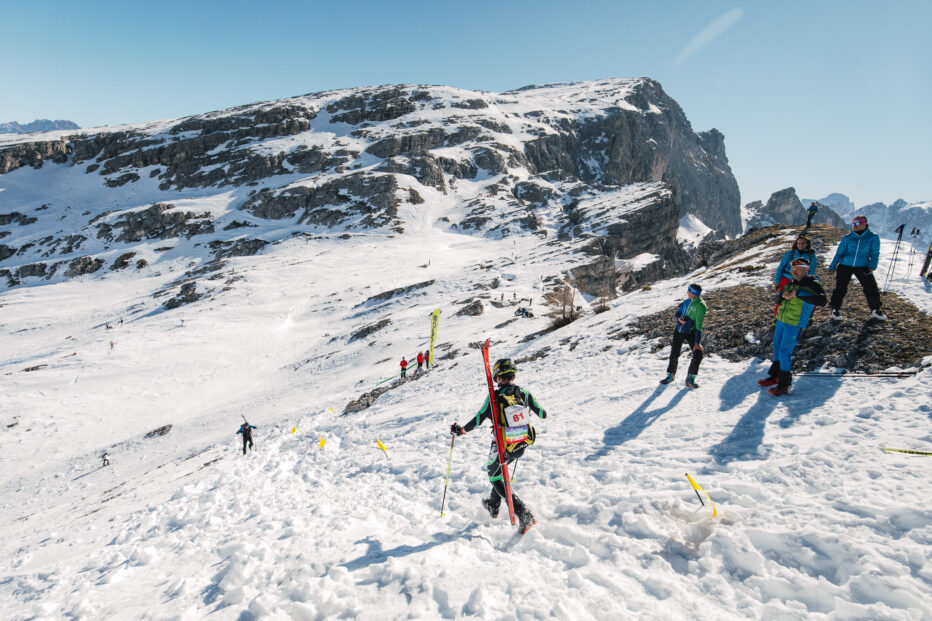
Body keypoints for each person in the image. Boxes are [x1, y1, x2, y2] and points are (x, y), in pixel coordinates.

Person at [449, 358, 547, 534]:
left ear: (498, 377)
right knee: (499, 473)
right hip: (521, 443)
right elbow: (542, 413)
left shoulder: (494, 398)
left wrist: (461, 431)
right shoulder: (524, 392)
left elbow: (478, 419)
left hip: (502, 446)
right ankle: (493, 504)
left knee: (494, 477)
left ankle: (523, 513)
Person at [759, 257, 827, 396]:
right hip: (781, 320)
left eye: (798, 269)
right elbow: (777, 299)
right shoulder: (790, 284)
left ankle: (783, 384)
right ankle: (774, 376)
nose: (794, 272)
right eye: (793, 269)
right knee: (777, 348)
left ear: (806, 269)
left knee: (785, 352)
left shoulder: (813, 284)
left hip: (794, 323)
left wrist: (799, 294)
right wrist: (783, 296)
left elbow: (822, 301)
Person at [827, 215, 886, 321]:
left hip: (863, 266)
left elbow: (875, 253)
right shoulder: (847, 238)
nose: (855, 226)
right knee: (840, 288)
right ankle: (835, 308)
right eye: (853, 224)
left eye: (857, 223)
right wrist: (832, 267)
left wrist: (872, 266)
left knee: (871, 287)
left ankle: (875, 309)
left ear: (864, 223)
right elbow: (839, 253)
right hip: (845, 266)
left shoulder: (873, 237)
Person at [660, 284, 707, 388]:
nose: (687, 293)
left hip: (691, 333)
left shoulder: (701, 306)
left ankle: (690, 378)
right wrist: (679, 319)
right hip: (678, 331)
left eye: (689, 292)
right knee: (674, 353)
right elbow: (677, 313)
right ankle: (670, 375)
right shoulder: (687, 301)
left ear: (694, 294)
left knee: (698, 353)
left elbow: (699, 325)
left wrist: (697, 343)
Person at [772, 235, 817, 315]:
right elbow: (781, 268)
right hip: (787, 278)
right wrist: (777, 281)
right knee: (781, 298)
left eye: (803, 243)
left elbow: (811, 270)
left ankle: (806, 316)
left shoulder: (811, 256)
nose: (800, 245)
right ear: (796, 244)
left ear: (807, 244)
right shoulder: (789, 254)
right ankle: (778, 317)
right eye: (798, 243)